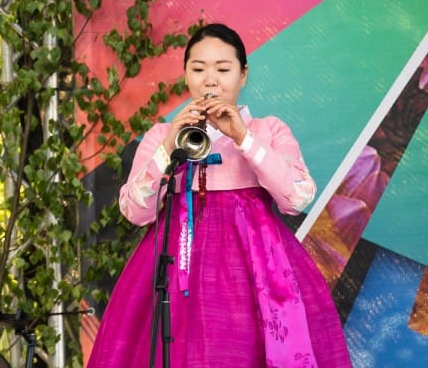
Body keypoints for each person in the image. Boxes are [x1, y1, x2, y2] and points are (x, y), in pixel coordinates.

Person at [86, 23, 351, 368]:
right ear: (186, 75)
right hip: (175, 273)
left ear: (243, 75)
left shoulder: (268, 129)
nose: (210, 81)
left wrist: (244, 138)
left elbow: (297, 198)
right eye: (198, 69)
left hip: (253, 273)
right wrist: (168, 147)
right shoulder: (162, 135)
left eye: (223, 70)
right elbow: (135, 212)